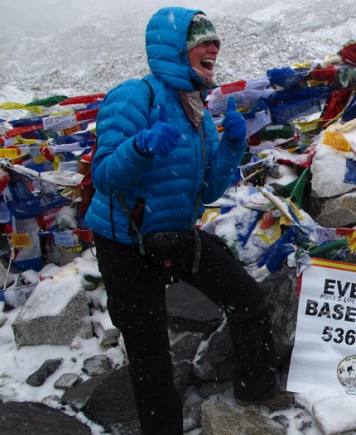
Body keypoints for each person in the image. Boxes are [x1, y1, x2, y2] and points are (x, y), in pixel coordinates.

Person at [86, 7, 279, 434]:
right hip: (126, 243)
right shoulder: (134, 97)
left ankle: (256, 389)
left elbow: (207, 190)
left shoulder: (195, 108)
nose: (214, 48)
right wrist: (141, 147)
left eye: (216, 42)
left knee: (246, 298)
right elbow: (104, 177)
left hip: (177, 236)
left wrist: (232, 146)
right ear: (173, 48)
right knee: (150, 353)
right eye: (202, 40)